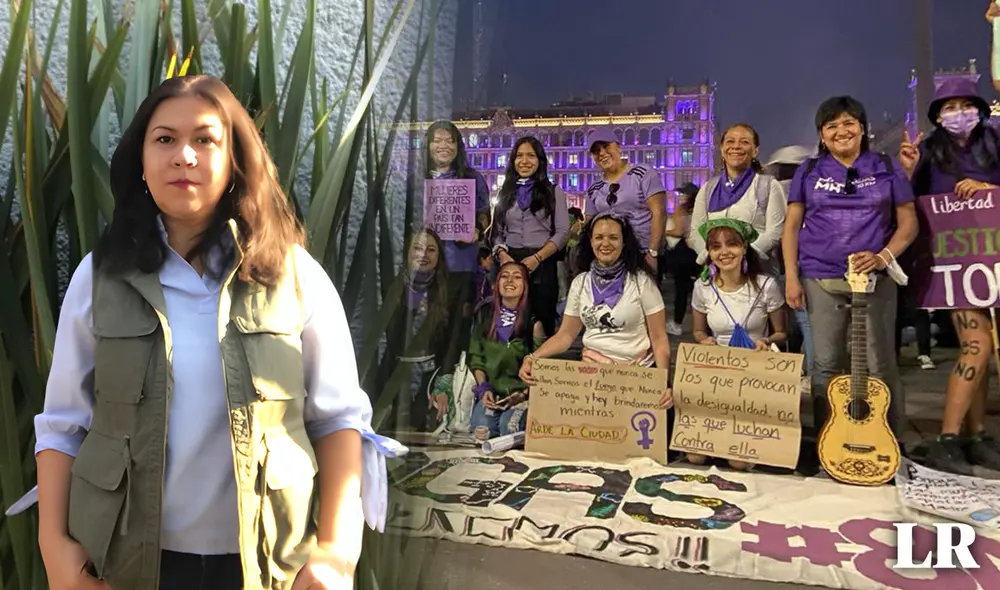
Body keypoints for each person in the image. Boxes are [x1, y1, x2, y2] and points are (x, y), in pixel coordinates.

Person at [30, 75, 401, 590]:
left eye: (205, 139)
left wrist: (338, 552)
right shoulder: (99, 278)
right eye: (164, 139)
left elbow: (338, 419)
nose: (184, 155)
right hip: (131, 568)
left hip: (267, 566)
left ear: (234, 161)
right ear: (141, 160)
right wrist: (55, 549)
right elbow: (63, 425)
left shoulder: (295, 276)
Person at [782, 96, 918, 439]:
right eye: (831, 126)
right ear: (822, 135)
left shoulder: (886, 167)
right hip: (820, 276)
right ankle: (828, 437)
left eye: (848, 123)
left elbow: (908, 223)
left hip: (875, 279)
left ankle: (891, 438)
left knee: (880, 361)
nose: (841, 131)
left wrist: (883, 257)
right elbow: (791, 226)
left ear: (862, 128)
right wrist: (792, 278)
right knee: (825, 363)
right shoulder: (809, 170)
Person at [898, 73, 1000, 474]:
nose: (960, 114)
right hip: (960, 262)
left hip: (996, 257)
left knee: (987, 353)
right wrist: (906, 172)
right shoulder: (927, 152)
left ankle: (975, 436)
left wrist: (989, 191)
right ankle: (946, 437)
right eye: (950, 108)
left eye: (966, 105)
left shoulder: (995, 142)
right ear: (938, 116)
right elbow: (907, 205)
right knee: (977, 346)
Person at [517, 213, 672, 412]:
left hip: (636, 377)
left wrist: (663, 381)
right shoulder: (580, 283)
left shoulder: (641, 283)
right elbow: (565, 335)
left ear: (624, 243)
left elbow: (659, 339)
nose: (605, 243)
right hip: (592, 376)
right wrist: (533, 357)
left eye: (613, 238)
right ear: (590, 242)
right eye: (599, 237)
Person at [492, 136, 570, 337]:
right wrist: (503, 256)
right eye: (519, 156)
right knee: (512, 322)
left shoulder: (554, 192)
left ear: (540, 160)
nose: (524, 161)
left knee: (542, 322)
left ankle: (540, 365)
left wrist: (537, 258)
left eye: (530, 156)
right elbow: (497, 232)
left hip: (542, 263)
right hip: (511, 263)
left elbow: (562, 232)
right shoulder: (505, 192)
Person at [423, 121, 491, 349]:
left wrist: (477, 231)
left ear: (458, 146)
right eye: (438, 140)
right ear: (428, 145)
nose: (444, 146)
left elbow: (485, 213)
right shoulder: (417, 178)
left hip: (461, 264)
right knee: (428, 324)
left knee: (458, 325)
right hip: (426, 265)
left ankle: (452, 374)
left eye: (450, 141)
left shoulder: (472, 177)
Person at [381, 228, 457, 432]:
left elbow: (452, 342)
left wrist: (443, 384)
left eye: (431, 250)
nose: (423, 255)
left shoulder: (448, 291)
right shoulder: (391, 287)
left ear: (439, 256)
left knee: (421, 424)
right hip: (392, 374)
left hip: (429, 375)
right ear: (407, 252)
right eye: (417, 248)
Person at [689, 124, 787, 275]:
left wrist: (741, 257)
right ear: (721, 150)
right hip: (718, 273)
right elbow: (696, 230)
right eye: (730, 141)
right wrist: (711, 256)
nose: (736, 146)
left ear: (755, 151)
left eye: (744, 142)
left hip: (758, 273)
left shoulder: (768, 186)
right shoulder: (708, 189)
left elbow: (775, 232)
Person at [691, 218, 787, 351]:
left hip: (757, 362)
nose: (724, 252)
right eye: (716, 247)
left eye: (732, 244)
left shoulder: (767, 286)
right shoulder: (702, 287)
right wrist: (704, 339)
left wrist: (766, 341)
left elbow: (781, 334)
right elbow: (698, 331)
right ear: (710, 253)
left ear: (744, 248)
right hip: (718, 364)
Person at [468, 262, 538, 439]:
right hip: (493, 392)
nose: (510, 280)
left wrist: (522, 395)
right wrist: (484, 389)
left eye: (517, 276)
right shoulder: (484, 314)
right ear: (496, 283)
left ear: (526, 286)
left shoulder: (534, 322)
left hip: (523, 395)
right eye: (505, 276)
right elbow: (476, 358)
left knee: (509, 429)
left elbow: (544, 369)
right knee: (483, 431)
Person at [583, 129, 667, 273]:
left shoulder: (642, 173)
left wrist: (652, 252)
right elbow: (589, 224)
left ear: (618, 146)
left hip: (643, 251)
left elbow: (659, 212)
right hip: (611, 254)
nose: (602, 153)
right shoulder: (593, 188)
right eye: (596, 151)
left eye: (606, 146)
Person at [766, 145, 817, 380]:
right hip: (803, 265)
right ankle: (809, 371)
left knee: (786, 323)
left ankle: (788, 369)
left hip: (781, 265)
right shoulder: (808, 189)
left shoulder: (777, 191)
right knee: (806, 323)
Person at [663, 183, 700, 336]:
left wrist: (664, 231)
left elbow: (678, 231)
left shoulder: (682, 209)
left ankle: (677, 323)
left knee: (681, 290)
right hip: (699, 250)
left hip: (684, 252)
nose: (681, 196)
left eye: (683, 193)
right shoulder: (701, 208)